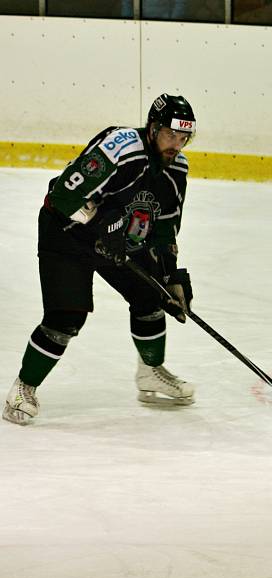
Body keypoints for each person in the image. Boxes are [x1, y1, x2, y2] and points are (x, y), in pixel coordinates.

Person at [3, 93, 197, 425]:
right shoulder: (121, 146)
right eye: (170, 135)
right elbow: (62, 194)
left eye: (184, 138)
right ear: (152, 128)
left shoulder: (176, 168)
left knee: (151, 295)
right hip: (66, 232)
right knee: (65, 318)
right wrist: (95, 227)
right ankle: (23, 388)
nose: (176, 145)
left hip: (116, 235)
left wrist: (172, 275)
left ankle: (150, 373)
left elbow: (164, 228)